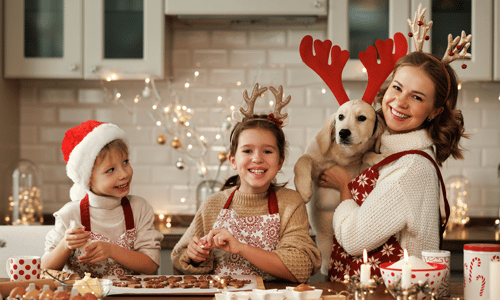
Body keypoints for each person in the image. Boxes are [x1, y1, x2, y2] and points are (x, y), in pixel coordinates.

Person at [319, 50, 468, 280]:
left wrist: (344, 186)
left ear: (435, 111)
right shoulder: (389, 151)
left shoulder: (410, 167)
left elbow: (353, 238)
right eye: (397, 88)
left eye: (417, 97)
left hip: (395, 292)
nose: (400, 102)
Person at [171, 85, 321, 283]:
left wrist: (241, 248)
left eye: (267, 151)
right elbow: (179, 258)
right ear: (233, 160)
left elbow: (301, 266)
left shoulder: (291, 203)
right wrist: (194, 254)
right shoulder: (212, 205)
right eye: (247, 151)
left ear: (280, 161)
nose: (257, 159)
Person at [41, 120, 163, 278]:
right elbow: (44, 268)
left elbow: (151, 266)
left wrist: (112, 250)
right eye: (110, 170)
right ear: (88, 179)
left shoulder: (139, 209)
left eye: (125, 162)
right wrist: (65, 245)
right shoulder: (70, 214)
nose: (124, 174)